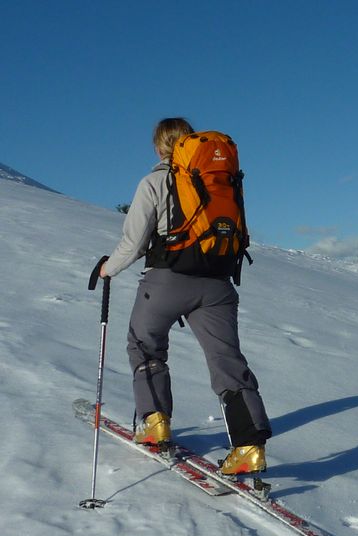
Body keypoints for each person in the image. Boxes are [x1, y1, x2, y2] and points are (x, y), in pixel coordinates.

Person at [99, 117, 271, 475]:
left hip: (167, 281)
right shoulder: (221, 181)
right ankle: (249, 447)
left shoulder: (155, 181)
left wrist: (106, 269)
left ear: (160, 146)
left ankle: (155, 423)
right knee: (227, 360)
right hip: (218, 284)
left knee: (144, 346)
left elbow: (133, 244)